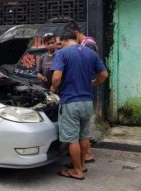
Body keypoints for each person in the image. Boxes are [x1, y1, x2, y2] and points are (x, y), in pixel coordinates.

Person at [50, 30, 108, 180]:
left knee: (72, 139)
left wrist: (54, 88)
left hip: (70, 102)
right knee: (84, 135)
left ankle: (77, 171)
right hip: (87, 102)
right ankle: (81, 165)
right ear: (75, 38)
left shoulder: (62, 53)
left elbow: (56, 77)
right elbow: (104, 75)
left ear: (62, 41)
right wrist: (94, 82)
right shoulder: (91, 53)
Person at [63, 20, 98, 163]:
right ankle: (82, 158)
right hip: (85, 93)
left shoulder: (88, 45)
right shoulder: (88, 44)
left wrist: (93, 81)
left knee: (77, 133)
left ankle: (85, 156)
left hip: (79, 91)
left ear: (76, 34)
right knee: (83, 131)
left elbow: (91, 68)